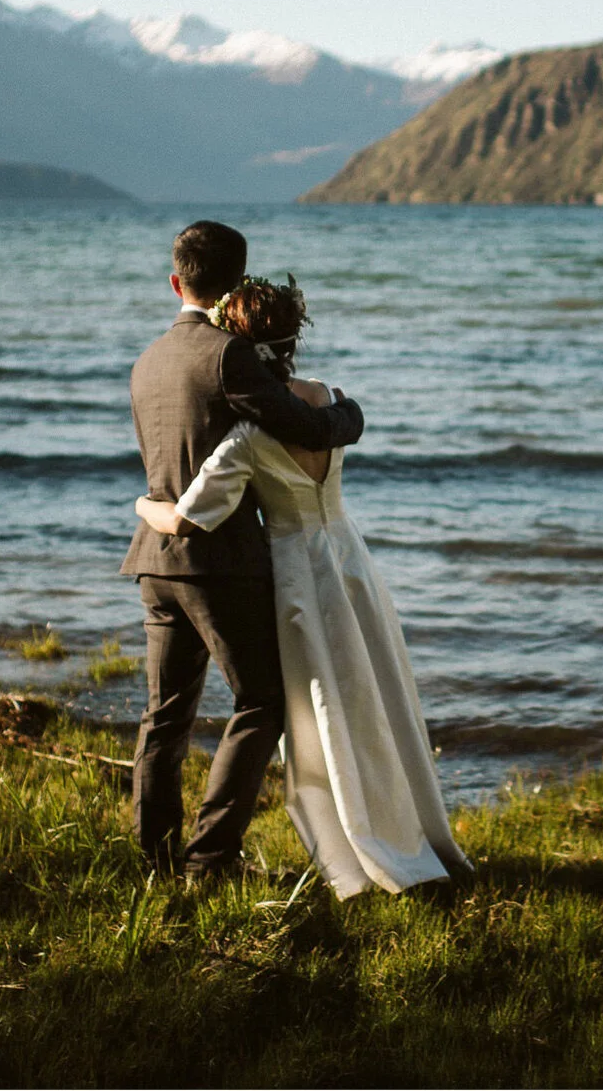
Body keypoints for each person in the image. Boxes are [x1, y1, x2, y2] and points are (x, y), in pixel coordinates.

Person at [136, 273, 469, 898]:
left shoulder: (248, 434)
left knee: (313, 710)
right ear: (293, 338)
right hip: (347, 560)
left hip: (290, 572)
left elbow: (187, 516)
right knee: (371, 692)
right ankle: (406, 824)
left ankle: (346, 843)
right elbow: (340, 425)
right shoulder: (331, 400)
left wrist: (141, 507)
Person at [122, 220, 365, 883]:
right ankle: (211, 860)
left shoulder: (146, 361)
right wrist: (351, 412)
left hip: (155, 559)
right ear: (238, 285)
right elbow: (305, 424)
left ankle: (156, 860)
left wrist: (149, 511)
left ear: (176, 281)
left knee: (165, 714)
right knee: (260, 701)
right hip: (219, 563)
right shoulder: (230, 355)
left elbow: (163, 469)